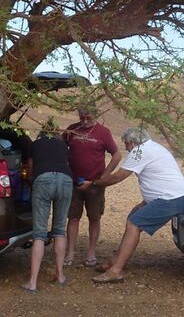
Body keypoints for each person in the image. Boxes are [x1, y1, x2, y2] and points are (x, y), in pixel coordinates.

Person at [78, 127, 184, 283]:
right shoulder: (153, 147)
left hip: (170, 199)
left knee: (134, 224)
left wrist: (94, 183)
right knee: (133, 216)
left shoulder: (140, 151)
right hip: (172, 196)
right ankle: (115, 261)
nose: (125, 148)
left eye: (126, 144)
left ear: (132, 142)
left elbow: (119, 176)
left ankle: (116, 271)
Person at [64, 105, 122, 267]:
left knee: (94, 218)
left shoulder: (103, 132)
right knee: (73, 217)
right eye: (82, 118)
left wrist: (105, 175)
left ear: (95, 115)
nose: (85, 121)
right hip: (74, 182)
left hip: (95, 184)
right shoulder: (72, 130)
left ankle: (91, 253)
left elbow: (117, 155)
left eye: (88, 118)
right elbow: (60, 147)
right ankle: (70, 253)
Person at [21, 120, 73, 293]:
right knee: (59, 230)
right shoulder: (63, 146)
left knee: (39, 233)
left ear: (42, 132)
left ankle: (33, 282)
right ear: (56, 133)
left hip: (43, 180)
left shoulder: (35, 145)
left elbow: (30, 169)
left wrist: (31, 184)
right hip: (66, 181)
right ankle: (60, 275)